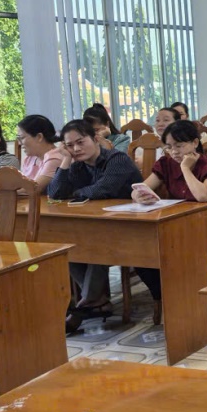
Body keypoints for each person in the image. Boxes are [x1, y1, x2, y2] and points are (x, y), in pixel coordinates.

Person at [48, 119, 142, 332]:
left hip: (130, 226)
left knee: (97, 245)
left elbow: (102, 190)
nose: (76, 149)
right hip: (98, 227)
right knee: (65, 245)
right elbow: (55, 194)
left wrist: (74, 193)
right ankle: (95, 301)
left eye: (80, 142)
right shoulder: (77, 165)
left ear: (96, 138)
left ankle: (87, 304)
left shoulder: (117, 159)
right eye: (69, 145)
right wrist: (65, 161)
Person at [131, 120, 207, 312]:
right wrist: (138, 195)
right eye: (169, 147)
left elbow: (202, 196)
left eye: (179, 146)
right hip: (180, 227)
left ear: (195, 143)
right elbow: (142, 187)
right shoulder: (165, 163)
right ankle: (165, 296)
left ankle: (190, 301)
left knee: (183, 252)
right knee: (141, 253)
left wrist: (186, 168)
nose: (174, 152)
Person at [16, 114, 64, 190]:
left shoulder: (55, 158)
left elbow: (31, 189)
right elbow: (19, 185)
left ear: (39, 137)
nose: (19, 143)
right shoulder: (29, 159)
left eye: (22, 138)